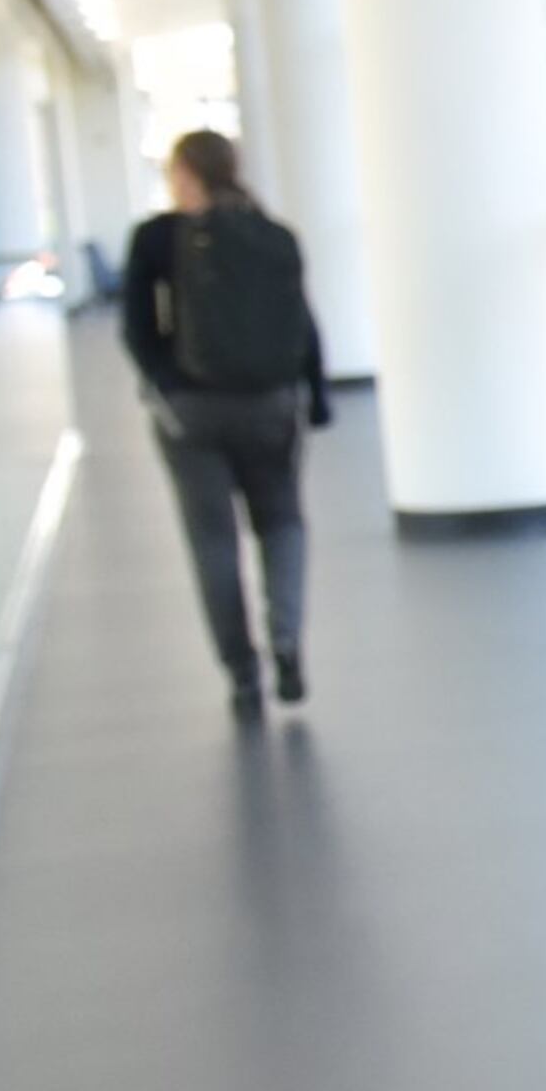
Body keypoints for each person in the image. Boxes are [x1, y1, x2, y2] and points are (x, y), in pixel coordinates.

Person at [120, 129, 330, 716]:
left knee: (212, 539)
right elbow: (304, 324)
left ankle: (242, 672)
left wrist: (165, 386)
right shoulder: (275, 236)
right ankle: (286, 639)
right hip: (272, 405)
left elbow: (137, 329)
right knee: (283, 522)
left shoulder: (158, 238)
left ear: (184, 174)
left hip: (192, 414)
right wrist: (312, 398)